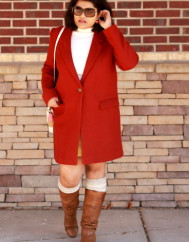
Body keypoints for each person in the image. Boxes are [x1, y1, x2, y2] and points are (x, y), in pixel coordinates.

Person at [41, 0, 139, 241]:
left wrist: (110, 28)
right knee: (69, 174)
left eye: (89, 11)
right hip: (68, 112)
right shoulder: (59, 34)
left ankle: (89, 230)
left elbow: (129, 63)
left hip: (100, 114)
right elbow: (48, 70)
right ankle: (69, 215)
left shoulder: (108, 36)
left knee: (96, 168)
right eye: (78, 10)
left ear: (99, 14)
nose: (82, 15)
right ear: (72, 11)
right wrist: (49, 95)